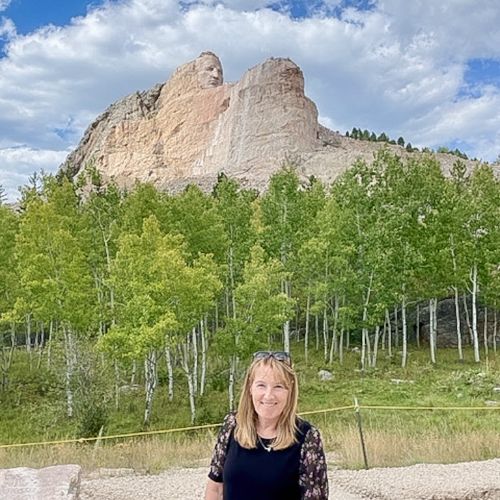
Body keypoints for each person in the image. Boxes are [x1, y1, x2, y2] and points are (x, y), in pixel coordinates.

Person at [204, 351, 329, 500]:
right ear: (250, 388)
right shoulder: (232, 424)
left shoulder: (307, 437)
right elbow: (215, 488)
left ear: (290, 391)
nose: (269, 395)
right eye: (261, 385)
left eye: (278, 387)